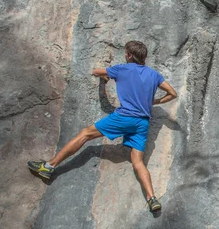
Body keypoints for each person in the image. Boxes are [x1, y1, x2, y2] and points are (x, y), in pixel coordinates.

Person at [28, 40, 177, 212]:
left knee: (85, 134)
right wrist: (154, 101)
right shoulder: (154, 75)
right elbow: (172, 93)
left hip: (124, 117)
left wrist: (106, 77)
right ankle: (152, 198)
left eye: (126, 53)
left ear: (129, 55)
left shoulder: (122, 69)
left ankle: (48, 167)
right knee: (137, 161)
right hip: (142, 123)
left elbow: (96, 71)